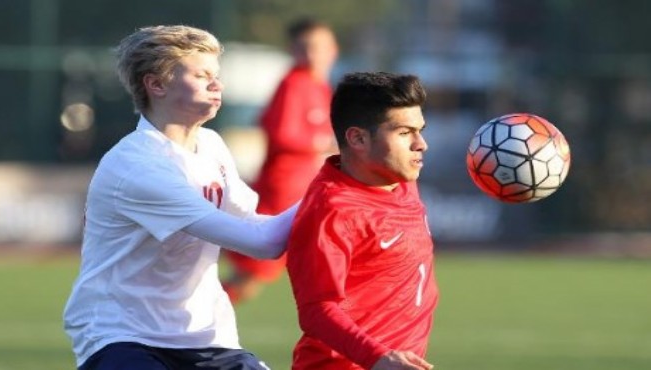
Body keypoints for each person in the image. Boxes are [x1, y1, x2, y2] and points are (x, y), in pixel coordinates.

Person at [62, 25, 298, 370]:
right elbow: (262, 243)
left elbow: (252, 223)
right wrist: (338, 183)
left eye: (216, 75)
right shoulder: (137, 165)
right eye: (202, 76)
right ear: (156, 84)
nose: (217, 85)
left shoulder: (212, 145)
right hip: (123, 335)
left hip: (206, 337)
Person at [286, 72, 438, 370]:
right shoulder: (333, 208)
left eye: (420, 130)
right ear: (357, 138)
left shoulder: (401, 179)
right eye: (405, 132)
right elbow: (316, 309)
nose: (421, 144)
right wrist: (377, 357)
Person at [223, 17, 339, 303]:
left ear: (333, 49)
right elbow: (281, 133)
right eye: (306, 47)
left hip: (307, 191)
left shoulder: (319, 86)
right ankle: (186, 323)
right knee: (250, 275)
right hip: (284, 194)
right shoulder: (294, 83)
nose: (314, 54)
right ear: (293, 50)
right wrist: (326, 143)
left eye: (320, 46)